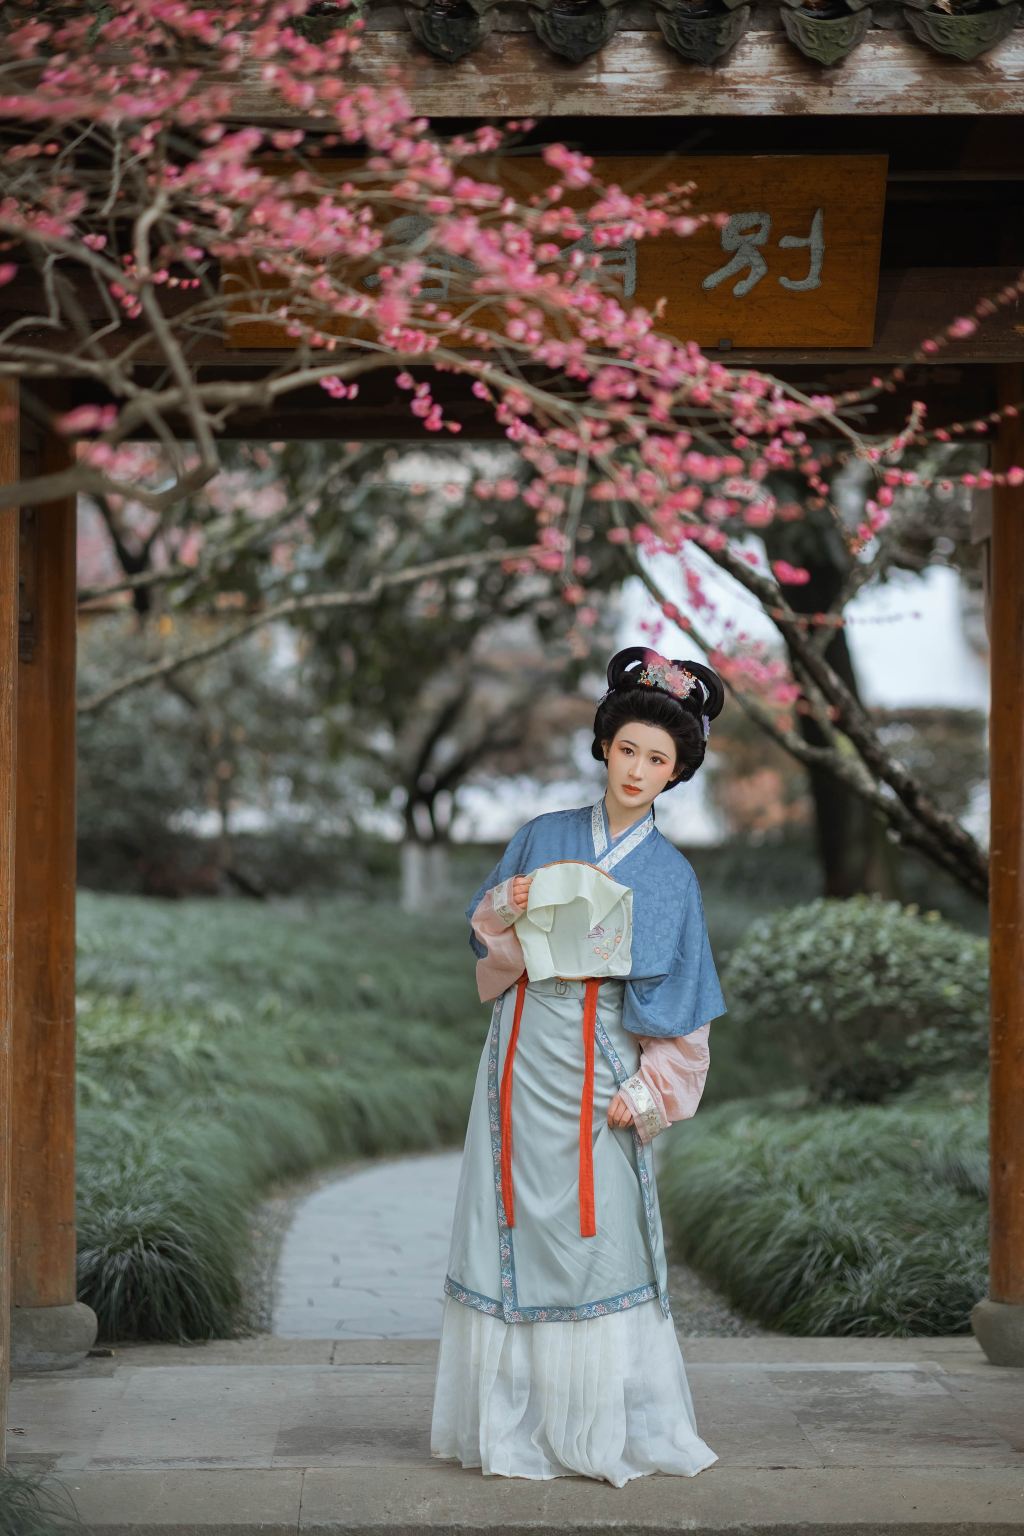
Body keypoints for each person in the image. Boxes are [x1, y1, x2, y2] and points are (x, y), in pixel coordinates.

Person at [430, 645, 727, 1487]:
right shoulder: (543, 835)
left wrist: (651, 1089)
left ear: (676, 774)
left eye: (657, 759)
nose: (637, 770)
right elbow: (487, 937)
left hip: (604, 1061)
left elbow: (686, 1002)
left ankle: (595, 1428)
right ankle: (510, 1426)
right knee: (509, 1220)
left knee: (597, 1234)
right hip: (521, 1047)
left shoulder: (671, 876)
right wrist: (505, 905)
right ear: (603, 745)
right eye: (627, 748)